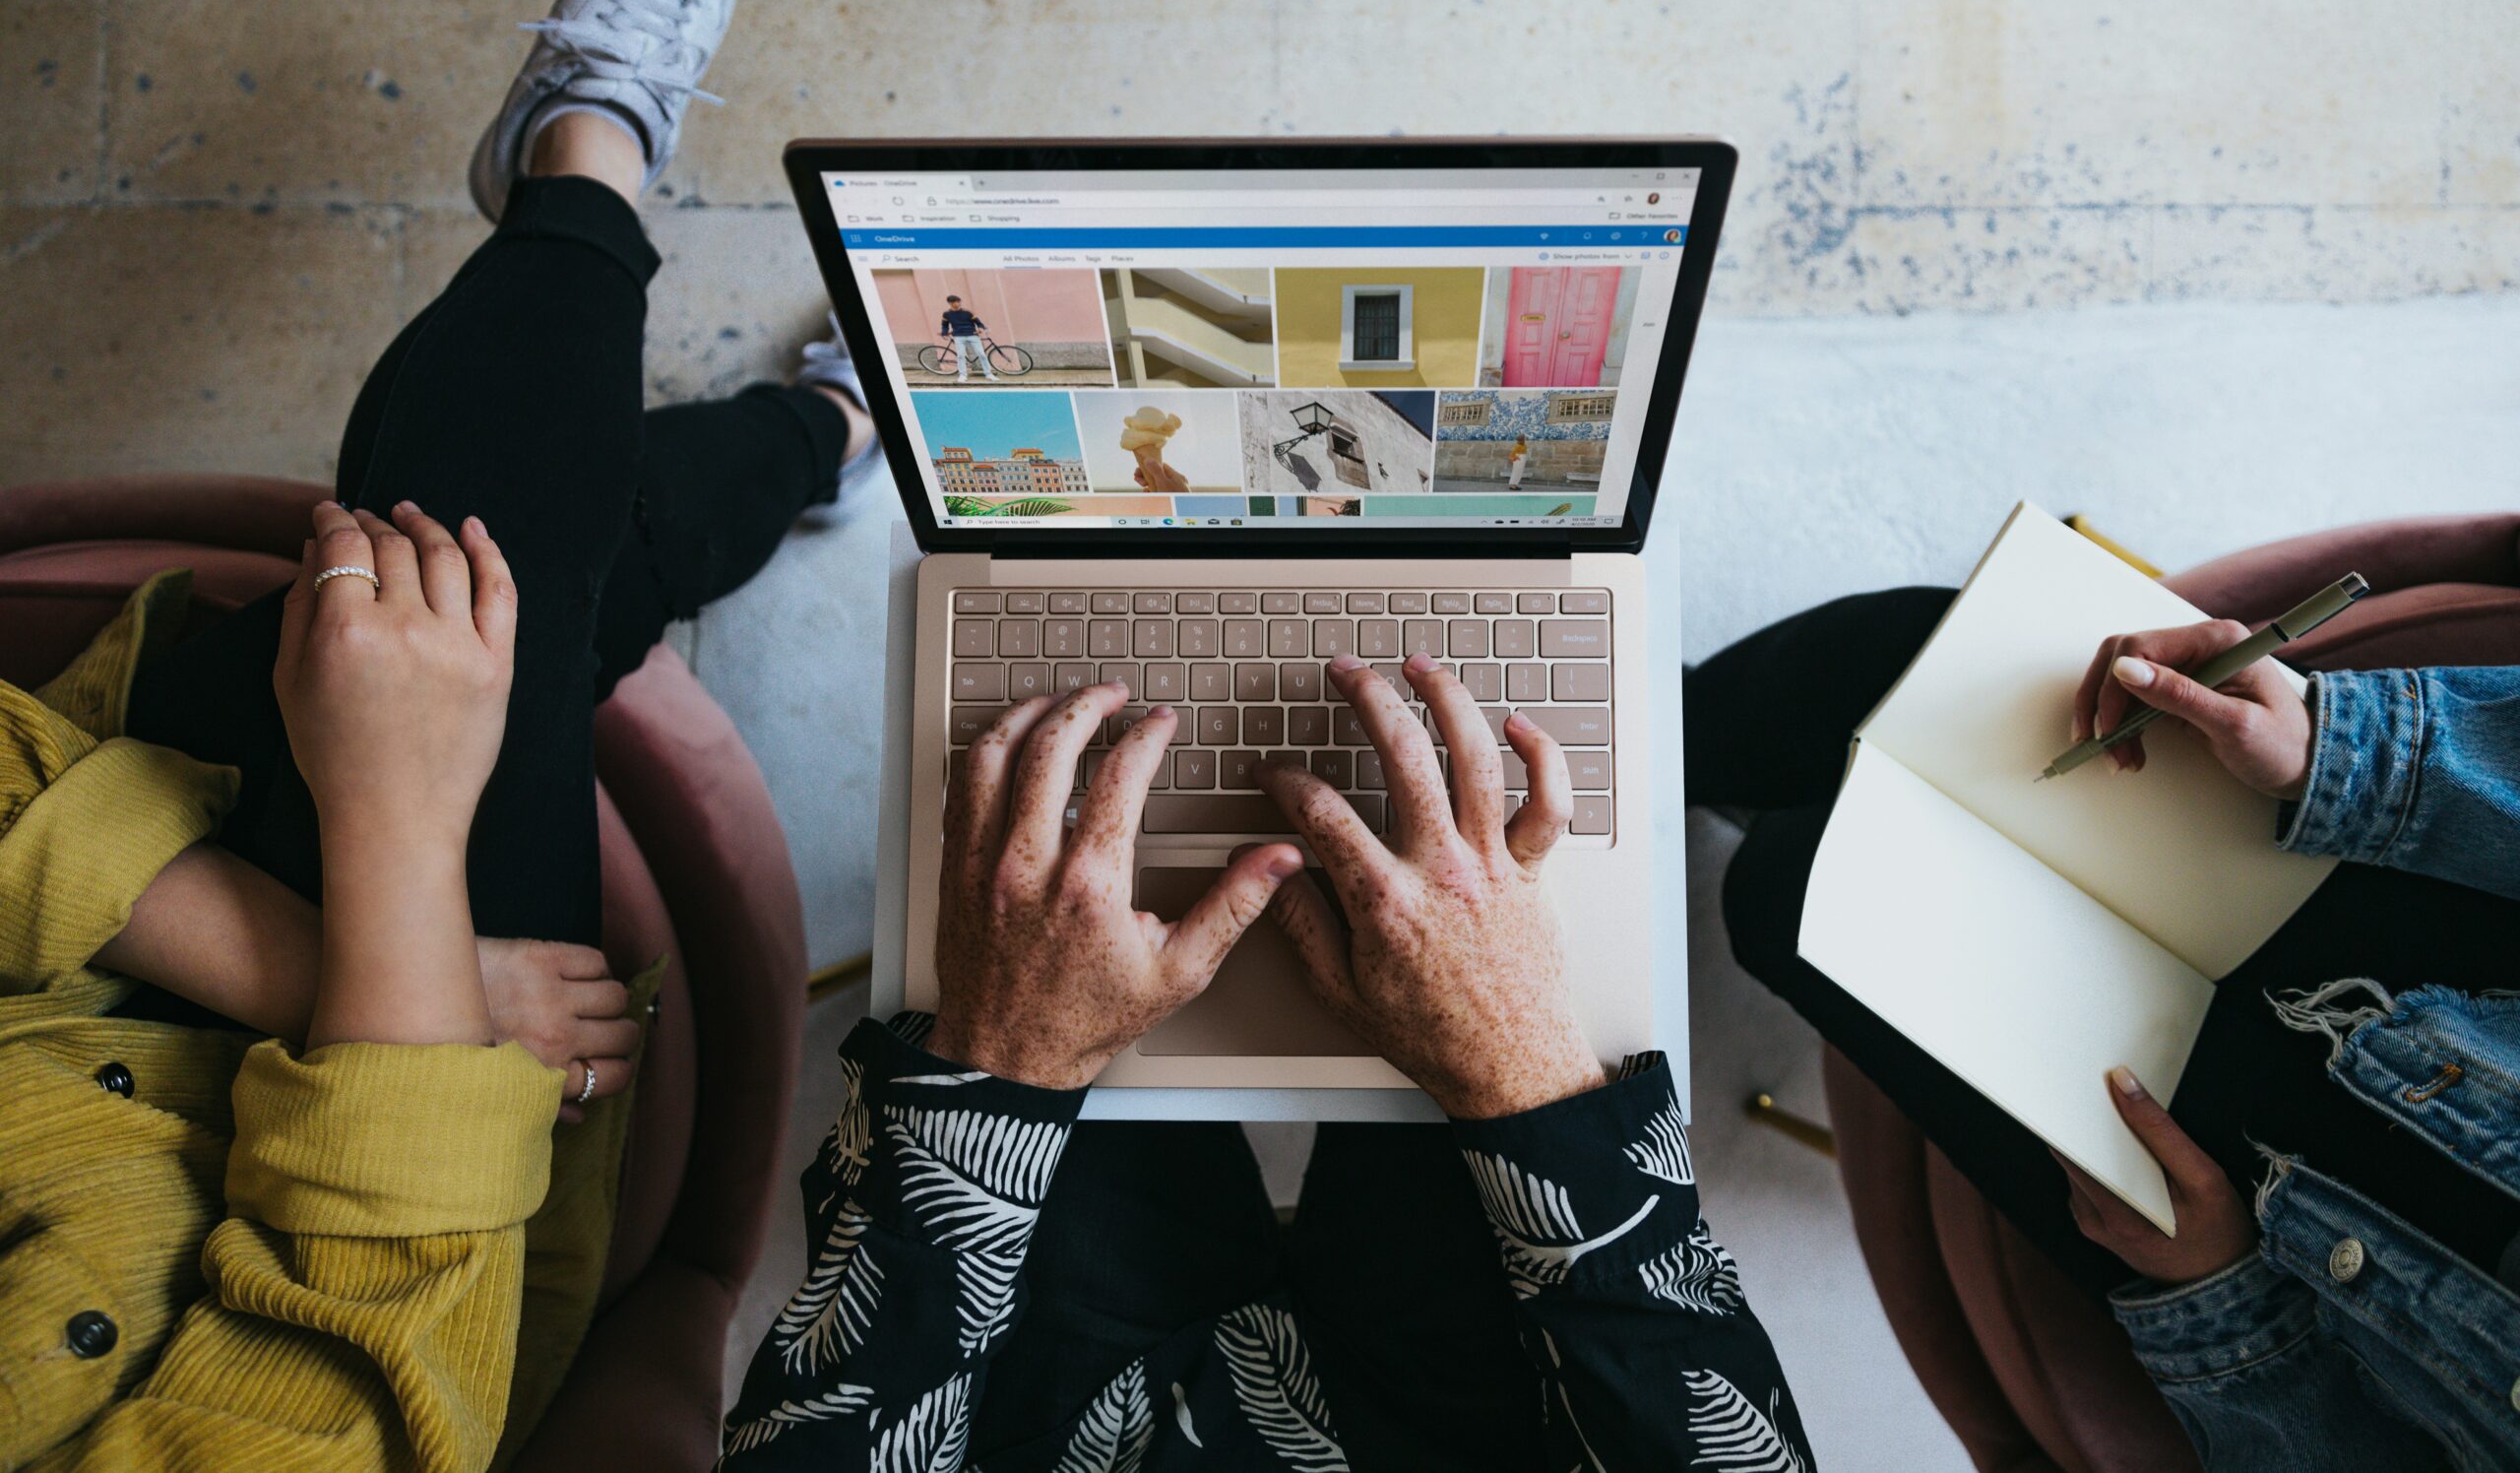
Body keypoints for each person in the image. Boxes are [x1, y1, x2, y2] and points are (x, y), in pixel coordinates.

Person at [3, 0, 879, 1466]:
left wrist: (296, 953)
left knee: (477, 566)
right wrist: (395, 861)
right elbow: (366, 1358)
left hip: (127, 909)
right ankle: (612, 181)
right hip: (419, 1205)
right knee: (506, 569)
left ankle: (716, 303)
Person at [724, 657, 1813, 1469]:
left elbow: (821, 1432)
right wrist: (1515, 1066)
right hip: (1497, 1424)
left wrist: (1008, 1063)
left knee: (1024, 915)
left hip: (1046, 1429)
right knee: (1470, 908)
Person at [1697, 591, 2520, 1471]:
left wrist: (2220, 1299)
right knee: (1931, 685)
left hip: (2256, 1238)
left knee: (1787, 898)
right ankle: (1635, 736)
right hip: (2436, 895)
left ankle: (1684, 776)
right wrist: (2350, 748)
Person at [941, 294, 997, 383]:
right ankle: (963, 375)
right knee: (960, 356)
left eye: (958, 301)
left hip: (972, 335)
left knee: (981, 354)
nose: (957, 304)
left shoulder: (968, 312)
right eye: (954, 302)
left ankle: (988, 374)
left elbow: (978, 322)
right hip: (958, 336)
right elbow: (944, 325)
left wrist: (981, 328)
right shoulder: (946, 314)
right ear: (950, 303)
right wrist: (944, 333)